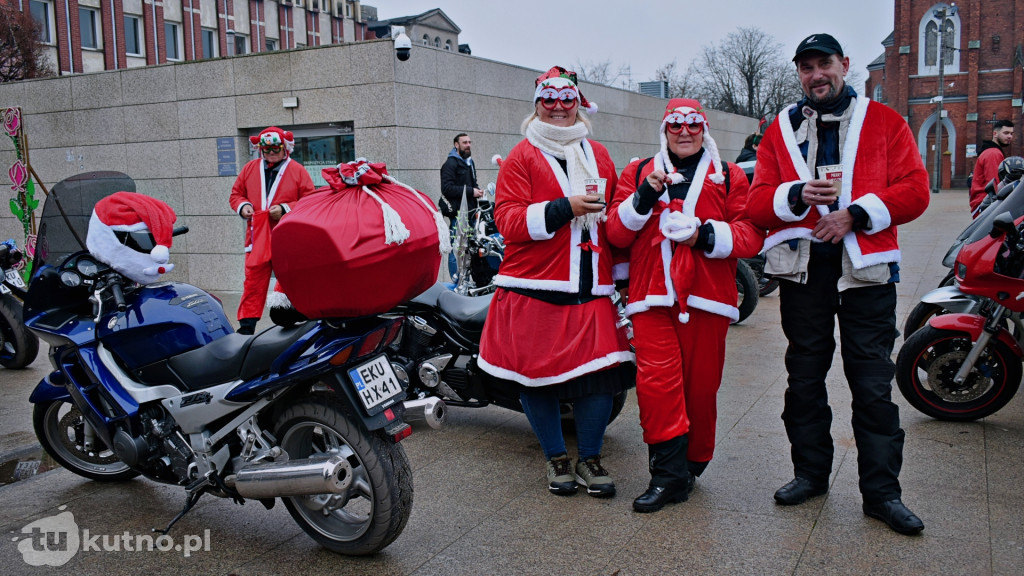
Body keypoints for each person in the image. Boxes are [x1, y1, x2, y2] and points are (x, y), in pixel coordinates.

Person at [746, 33, 930, 535]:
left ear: (843, 64)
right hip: (803, 271)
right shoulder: (779, 128)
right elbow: (757, 203)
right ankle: (810, 474)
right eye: (806, 67)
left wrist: (855, 214)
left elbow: (916, 190)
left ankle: (883, 494)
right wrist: (795, 194)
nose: (816, 75)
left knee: (871, 386)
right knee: (804, 380)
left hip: (866, 271)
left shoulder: (885, 121)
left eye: (823, 63)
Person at [478, 66, 634, 498]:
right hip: (535, 287)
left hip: (591, 286)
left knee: (601, 377)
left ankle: (590, 457)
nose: (560, 106)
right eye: (550, 98)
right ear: (537, 105)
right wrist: (564, 207)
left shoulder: (599, 155)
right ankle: (555, 458)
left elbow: (614, 220)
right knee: (536, 380)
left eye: (568, 98)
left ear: (580, 102)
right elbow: (507, 221)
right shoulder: (521, 156)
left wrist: (621, 275)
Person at [607, 99, 764, 512]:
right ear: (665, 130)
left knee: (700, 387)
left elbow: (750, 235)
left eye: (693, 124)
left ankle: (693, 463)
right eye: (676, 124)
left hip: (707, 299)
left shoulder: (727, 175)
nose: (684, 131)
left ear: (704, 129)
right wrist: (644, 196)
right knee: (657, 386)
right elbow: (616, 234)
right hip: (651, 297)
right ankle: (667, 476)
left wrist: (704, 235)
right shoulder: (639, 171)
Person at [228, 127, 316, 335]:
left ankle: (294, 316)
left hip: (287, 235)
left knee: (291, 277)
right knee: (253, 281)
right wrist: (243, 206)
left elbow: (310, 200)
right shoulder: (250, 168)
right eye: (266, 149)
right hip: (257, 234)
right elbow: (236, 194)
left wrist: (286, 209)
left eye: (275, 148)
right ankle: (246, 327)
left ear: (285, 148)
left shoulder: (297, 170)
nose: (270, 153)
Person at [969, 120, 1014, 216]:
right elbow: (994, 183)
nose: (1010, 136)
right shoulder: (993, 153)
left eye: (1011, 133)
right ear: (995, 134)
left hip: (983, 203)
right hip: (986, 205)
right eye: (1006, 133)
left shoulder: (991, 151)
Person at [439, 133, 483, 218]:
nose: (468, 145)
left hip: (472, 212)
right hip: (458, 215)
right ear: (456, 145)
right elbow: (447, 189)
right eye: (465, 143)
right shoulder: (450, 164)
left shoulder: (470, 162)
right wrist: (471, 191)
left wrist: (478, 191)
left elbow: (473, 183)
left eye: (469, 142)